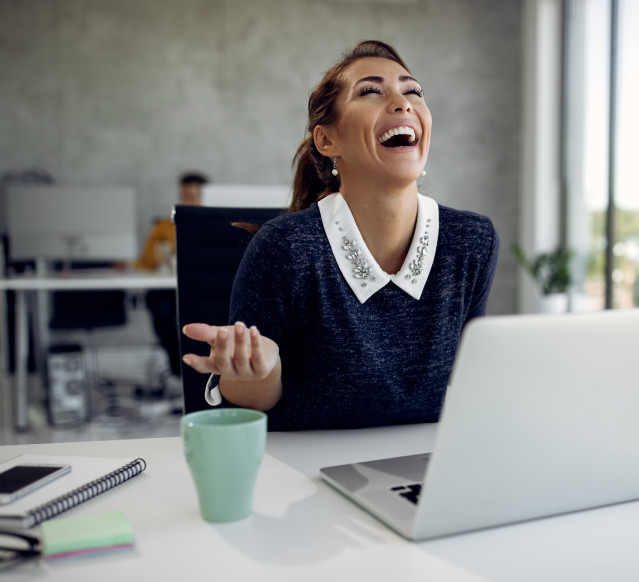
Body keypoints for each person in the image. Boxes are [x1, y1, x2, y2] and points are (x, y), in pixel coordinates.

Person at [181, 41, 499, 430]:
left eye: (412, 90)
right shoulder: (284, 248)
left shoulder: (472, 240)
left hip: (425, 469)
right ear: (327, 141)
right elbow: (251, 407)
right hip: (304, 472)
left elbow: (464, 382)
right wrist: (255, 372)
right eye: (370, 91)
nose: (403, 104)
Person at [135, 172, 208, 381]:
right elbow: (147, 261)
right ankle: (179, 369)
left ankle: (196, 370)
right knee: (161, 307)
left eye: (194, 196)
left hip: (201, 287)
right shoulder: (164, 226)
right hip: (169, 287)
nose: (189, 201)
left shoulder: (214, 224)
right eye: (185, 196)